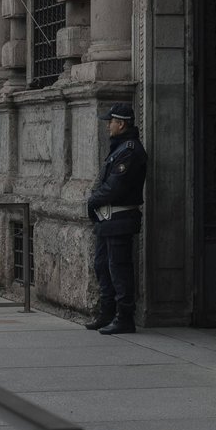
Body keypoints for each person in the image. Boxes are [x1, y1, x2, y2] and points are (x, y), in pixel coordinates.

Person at [86, 103, 147, 335]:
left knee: (119, 269)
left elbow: (114, 187)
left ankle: (124, 318)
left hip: (119, 218)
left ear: (121, 124)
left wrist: (92, 201)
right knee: (102, 265)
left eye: (110, 122)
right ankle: (107, 312)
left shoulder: (129, 151)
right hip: (108, 220)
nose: (107, 126)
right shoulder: (119, 148)